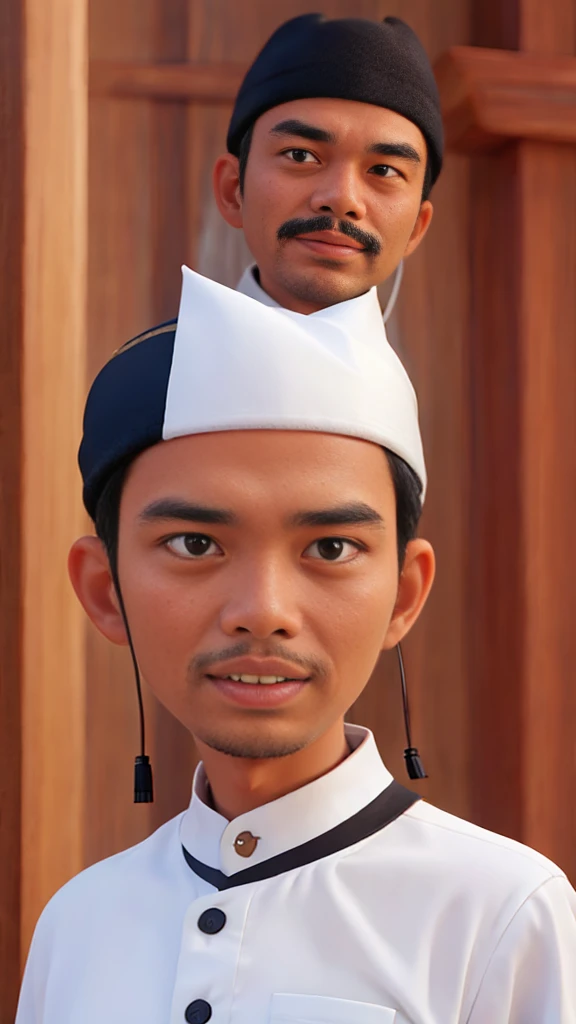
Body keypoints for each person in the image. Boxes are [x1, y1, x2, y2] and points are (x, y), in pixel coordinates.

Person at [16, 268, 576, 1023]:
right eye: (194, 542)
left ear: (405, 594)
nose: (264, 612)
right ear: (104, 590)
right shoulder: (77, 924)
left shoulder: (503, 916)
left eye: (332, 548)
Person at [212, 14, 441, 314]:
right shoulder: (152, 362)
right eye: (300, 155)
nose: (342, 198)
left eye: (383, 170)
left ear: (416, 228)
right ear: (233, 190)